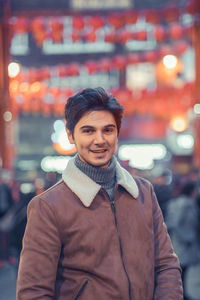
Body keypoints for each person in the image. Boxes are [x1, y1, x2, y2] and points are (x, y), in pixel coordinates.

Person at [16, 87, 183, 300]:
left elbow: (166, 265)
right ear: (70, 135)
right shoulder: (48, 206)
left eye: (108, 130)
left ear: (117, 132)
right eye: (88, 131)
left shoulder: (143, 192)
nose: (100, 140)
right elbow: (34, 292)